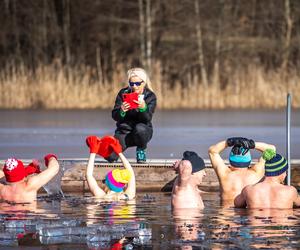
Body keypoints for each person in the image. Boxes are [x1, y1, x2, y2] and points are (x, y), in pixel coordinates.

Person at [108, 67, 157, 163]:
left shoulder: (150, 96)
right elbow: (114, 116)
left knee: (140, 129)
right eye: (131, 83)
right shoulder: (123, 93)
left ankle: (141, 149)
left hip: (142, 131)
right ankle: (119, 150)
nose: (135, 86)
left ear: (144, 82)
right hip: (124, 132)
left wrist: (143, 108)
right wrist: (121, 110)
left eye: (138, 83)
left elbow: (147, 118)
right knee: (110, 157)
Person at [208, 137, 275, 206]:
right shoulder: (257, 172)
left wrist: (229, 142)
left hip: (227, 213)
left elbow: (212, 151)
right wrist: (252, 144)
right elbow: (271, 149)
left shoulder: (225, 174)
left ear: (230, 160)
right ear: (249, 160)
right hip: (251, 213)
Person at [234, 149, 300, 209]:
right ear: (281, 172)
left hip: (257, 220)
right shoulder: (290, 191)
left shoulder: (249, 190)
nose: (286, 174)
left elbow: (237, 204)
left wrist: (259, 182)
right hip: (281, 221)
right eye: (285, 171)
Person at [85, 135, 136, 200]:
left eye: (104, 181)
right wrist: (120, 153)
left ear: (108, 184)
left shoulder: (102, 197)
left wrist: (93, 152)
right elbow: (131, 173)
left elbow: (89, 175)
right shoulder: (129, 196)